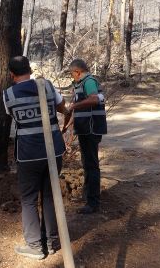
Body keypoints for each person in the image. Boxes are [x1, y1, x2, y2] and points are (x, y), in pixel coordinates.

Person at [3, 56, 69, 260]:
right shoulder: (47, 86)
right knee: (50, 196)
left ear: (12, 75)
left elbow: (11, 115)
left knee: (29, 200)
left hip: (28, 154)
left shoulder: (8, 94)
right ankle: (50, 241)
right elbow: (61, 106)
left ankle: (35, 246)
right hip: (53, 152)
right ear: (30, 70)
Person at [62, 59, 107, 214]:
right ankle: (88, 197)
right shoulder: (80, 85)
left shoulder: (88, 82)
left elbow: (94, 99)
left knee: (91, 165)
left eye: (71, 74)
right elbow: (81, 110)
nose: (72, 77)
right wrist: (66, 127)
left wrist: (74, 105)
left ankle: (93, 203)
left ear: (78, 72)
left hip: (91, 130)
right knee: (87, 163)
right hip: (85, 130)